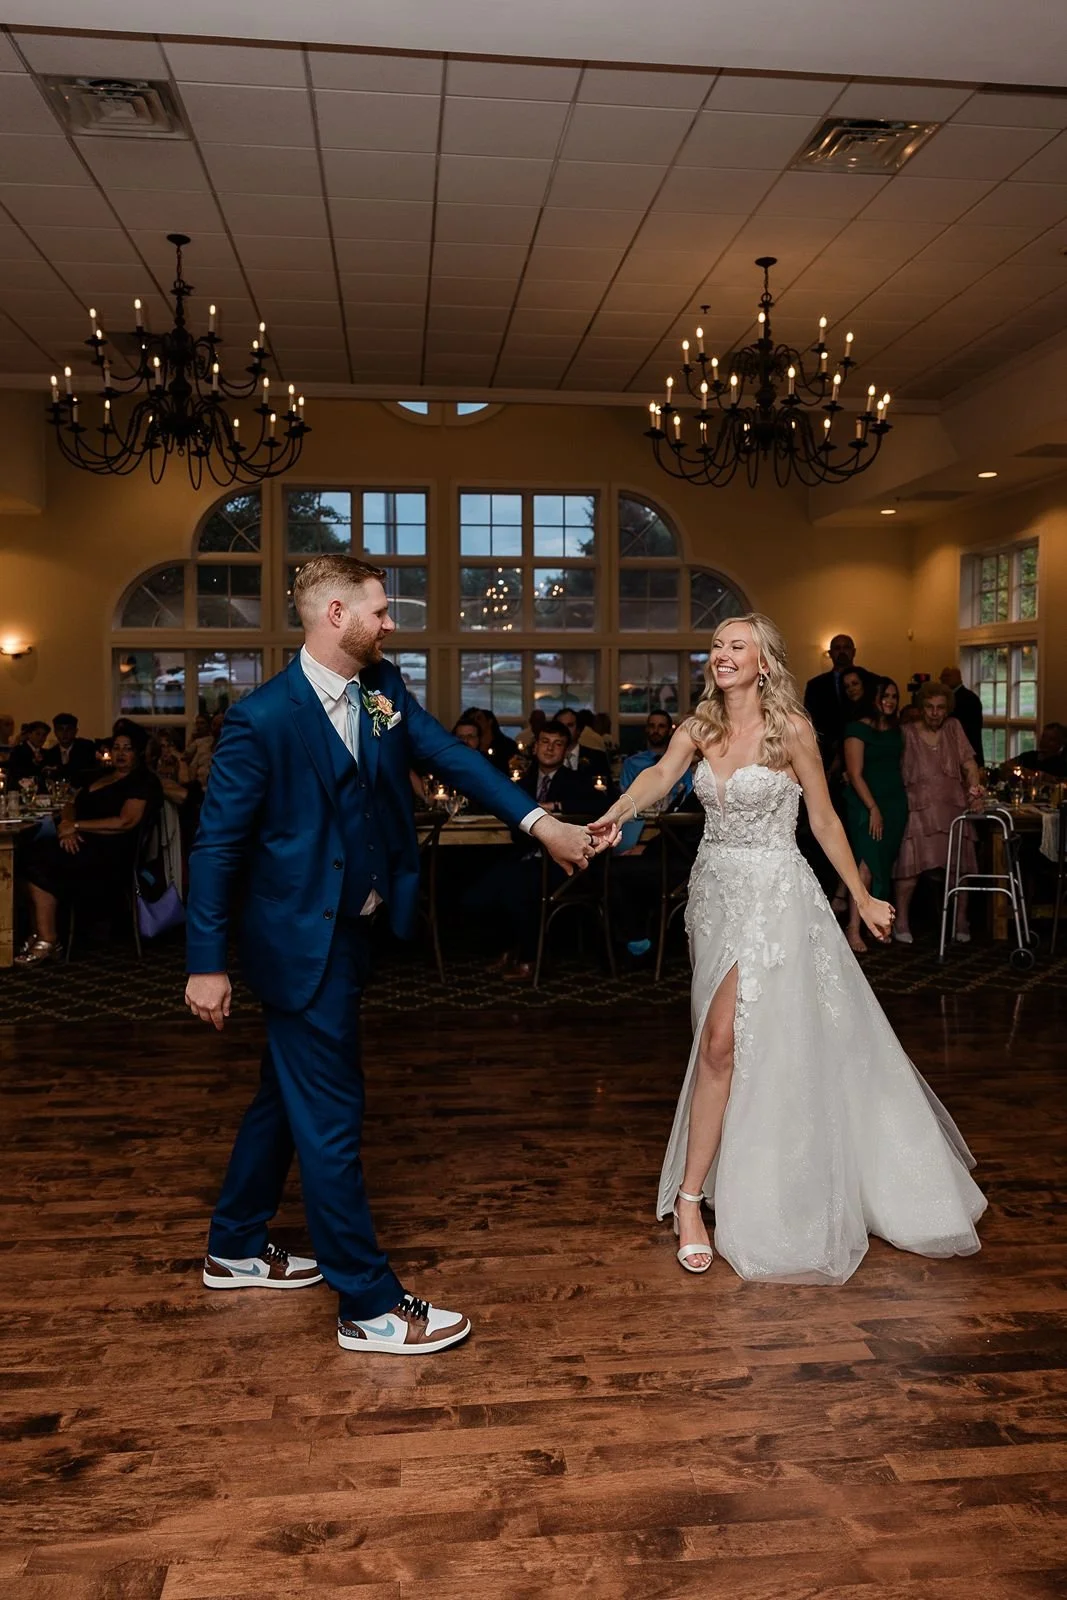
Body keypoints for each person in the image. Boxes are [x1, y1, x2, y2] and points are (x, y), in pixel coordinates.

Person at [184, 554, 600, 1356]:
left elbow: (453, 758)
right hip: (299, 940)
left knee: (286, 1095)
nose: (390, 622)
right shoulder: (262, 719)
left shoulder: (382, 692)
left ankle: (234, 1243)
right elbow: (215, 849)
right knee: (332, 1114)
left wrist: (539, 824)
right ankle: (368, 1305)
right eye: (378, 610)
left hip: (355, 930)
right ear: (334, 615)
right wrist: (207, 961)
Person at [590, 613, 985, 1284]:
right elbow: (660, 776)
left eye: (735, 645)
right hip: (713, 895)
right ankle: (738, 1174)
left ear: (763, 663)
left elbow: (824, 818)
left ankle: (690, 1202)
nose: (721, 654)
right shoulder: (698, 728)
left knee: (721, 1039)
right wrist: (617, 814)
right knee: (734, 1041)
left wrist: (861, 897)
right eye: (715, 645)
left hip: (776, 895)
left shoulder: (791, 730)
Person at [463, 722, 601, 982]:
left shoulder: (576, 781)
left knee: (517, 887)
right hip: (525, 857)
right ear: (535, 746)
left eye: (557, 743)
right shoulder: (521, 783)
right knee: (479, 892)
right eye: (545, 742)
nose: (550, 748)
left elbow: (601, 803)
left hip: (564, 867)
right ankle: (511, 949)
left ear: (566, 750)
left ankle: (528, 960)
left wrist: (554, 806)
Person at [15, 728, 161, 964]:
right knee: (26, 855)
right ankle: (39, 932)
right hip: (80, 841)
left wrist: (78, 826)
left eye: (127, 748)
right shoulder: (98, 775)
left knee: (39, 860)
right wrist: (66, 824)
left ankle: (48, 938)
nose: (120, 753)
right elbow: (70, 802)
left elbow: (126, 822)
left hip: (112, 853)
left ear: (138, 753)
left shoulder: (142, 781)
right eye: (116, 748)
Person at [894, 680, 984, 945]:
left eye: (940, 708)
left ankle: (961, 920)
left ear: (948, 709)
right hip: (917, 808)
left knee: (959, 867)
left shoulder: (954, 728)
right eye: (929, 707)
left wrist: (975, 793)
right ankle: (901, 921)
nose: (935, 712)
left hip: (952, 806)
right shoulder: (906, 732)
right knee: (909, 869)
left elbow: (969, 764)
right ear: (921, 708)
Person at [842, 678, 908, 955]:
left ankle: (878, 924)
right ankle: (853, 928)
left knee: (883, 862)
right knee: (865, 865)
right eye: (885, 696)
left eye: (894, 696)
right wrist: (873, 809)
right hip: (866, 803)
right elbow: (854, 774)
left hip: (894, 803)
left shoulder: (897, 731)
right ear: (874, 699)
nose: (890, 701)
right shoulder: (857, 729)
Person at [803, 635, 879, 768]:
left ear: (854, 652)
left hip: (868, 751)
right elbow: (809, 721)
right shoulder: (816, 685)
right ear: (831, 653)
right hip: (828, 756)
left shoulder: (872, 680)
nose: (842, 651)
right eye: (837, 648)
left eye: (846, 647)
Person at [939, 666, 984, 765]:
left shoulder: (969, 699)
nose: (943, 679)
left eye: (947, 676)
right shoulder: (947, 698)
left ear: (958, 677)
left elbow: (968, 731)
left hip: (965, 754)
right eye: (942, 677)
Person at [44, 712, 98, 789]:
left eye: (68, 729)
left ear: (75, 731)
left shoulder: (86, 748)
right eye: (60, 729)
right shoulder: (50, 754)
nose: (64, 733)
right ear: (55, 732)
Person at [6, 720, 51, 789]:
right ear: (29, 734)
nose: (41, 738)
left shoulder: (46, 753)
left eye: (44, 735)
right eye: (37, 734)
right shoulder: (18, 751)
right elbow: (15, 774)